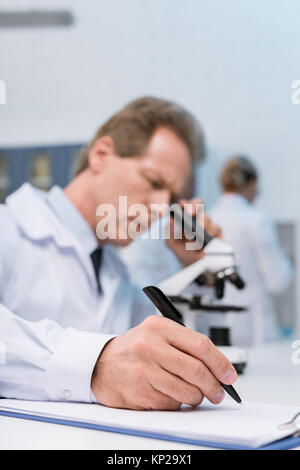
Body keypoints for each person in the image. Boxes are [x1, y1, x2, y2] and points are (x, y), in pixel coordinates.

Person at [0, 97, 237, 410]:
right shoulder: (8, 228)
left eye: (171, 198)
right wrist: (97, 365)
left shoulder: (117, 274)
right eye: (153, 181)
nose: (159, 208)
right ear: (101, 155)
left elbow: (173, 357)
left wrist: (193, 268)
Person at [208, 156, 292, 345]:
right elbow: (277, 281)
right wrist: (287, 261)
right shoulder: (257, 220)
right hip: (256, 327)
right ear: (252, 183)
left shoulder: (208, 218)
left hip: (218, 323)